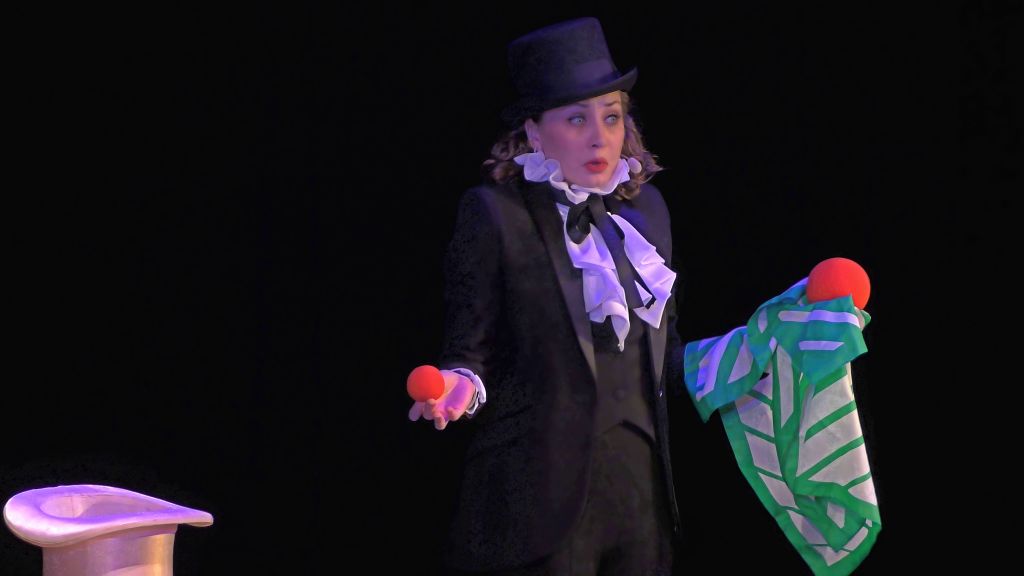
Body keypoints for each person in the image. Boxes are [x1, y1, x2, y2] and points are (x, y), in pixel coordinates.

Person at [408, 17, 684, 576]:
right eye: (577, 118)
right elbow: (470, 353)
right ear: (534, 132)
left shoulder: (648, 213)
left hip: (642, 503)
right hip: (537, 506)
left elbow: (668, 356)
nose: (600, 136)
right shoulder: (496, 215)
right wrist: (461, 387)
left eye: (611, 116)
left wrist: (760, 348)